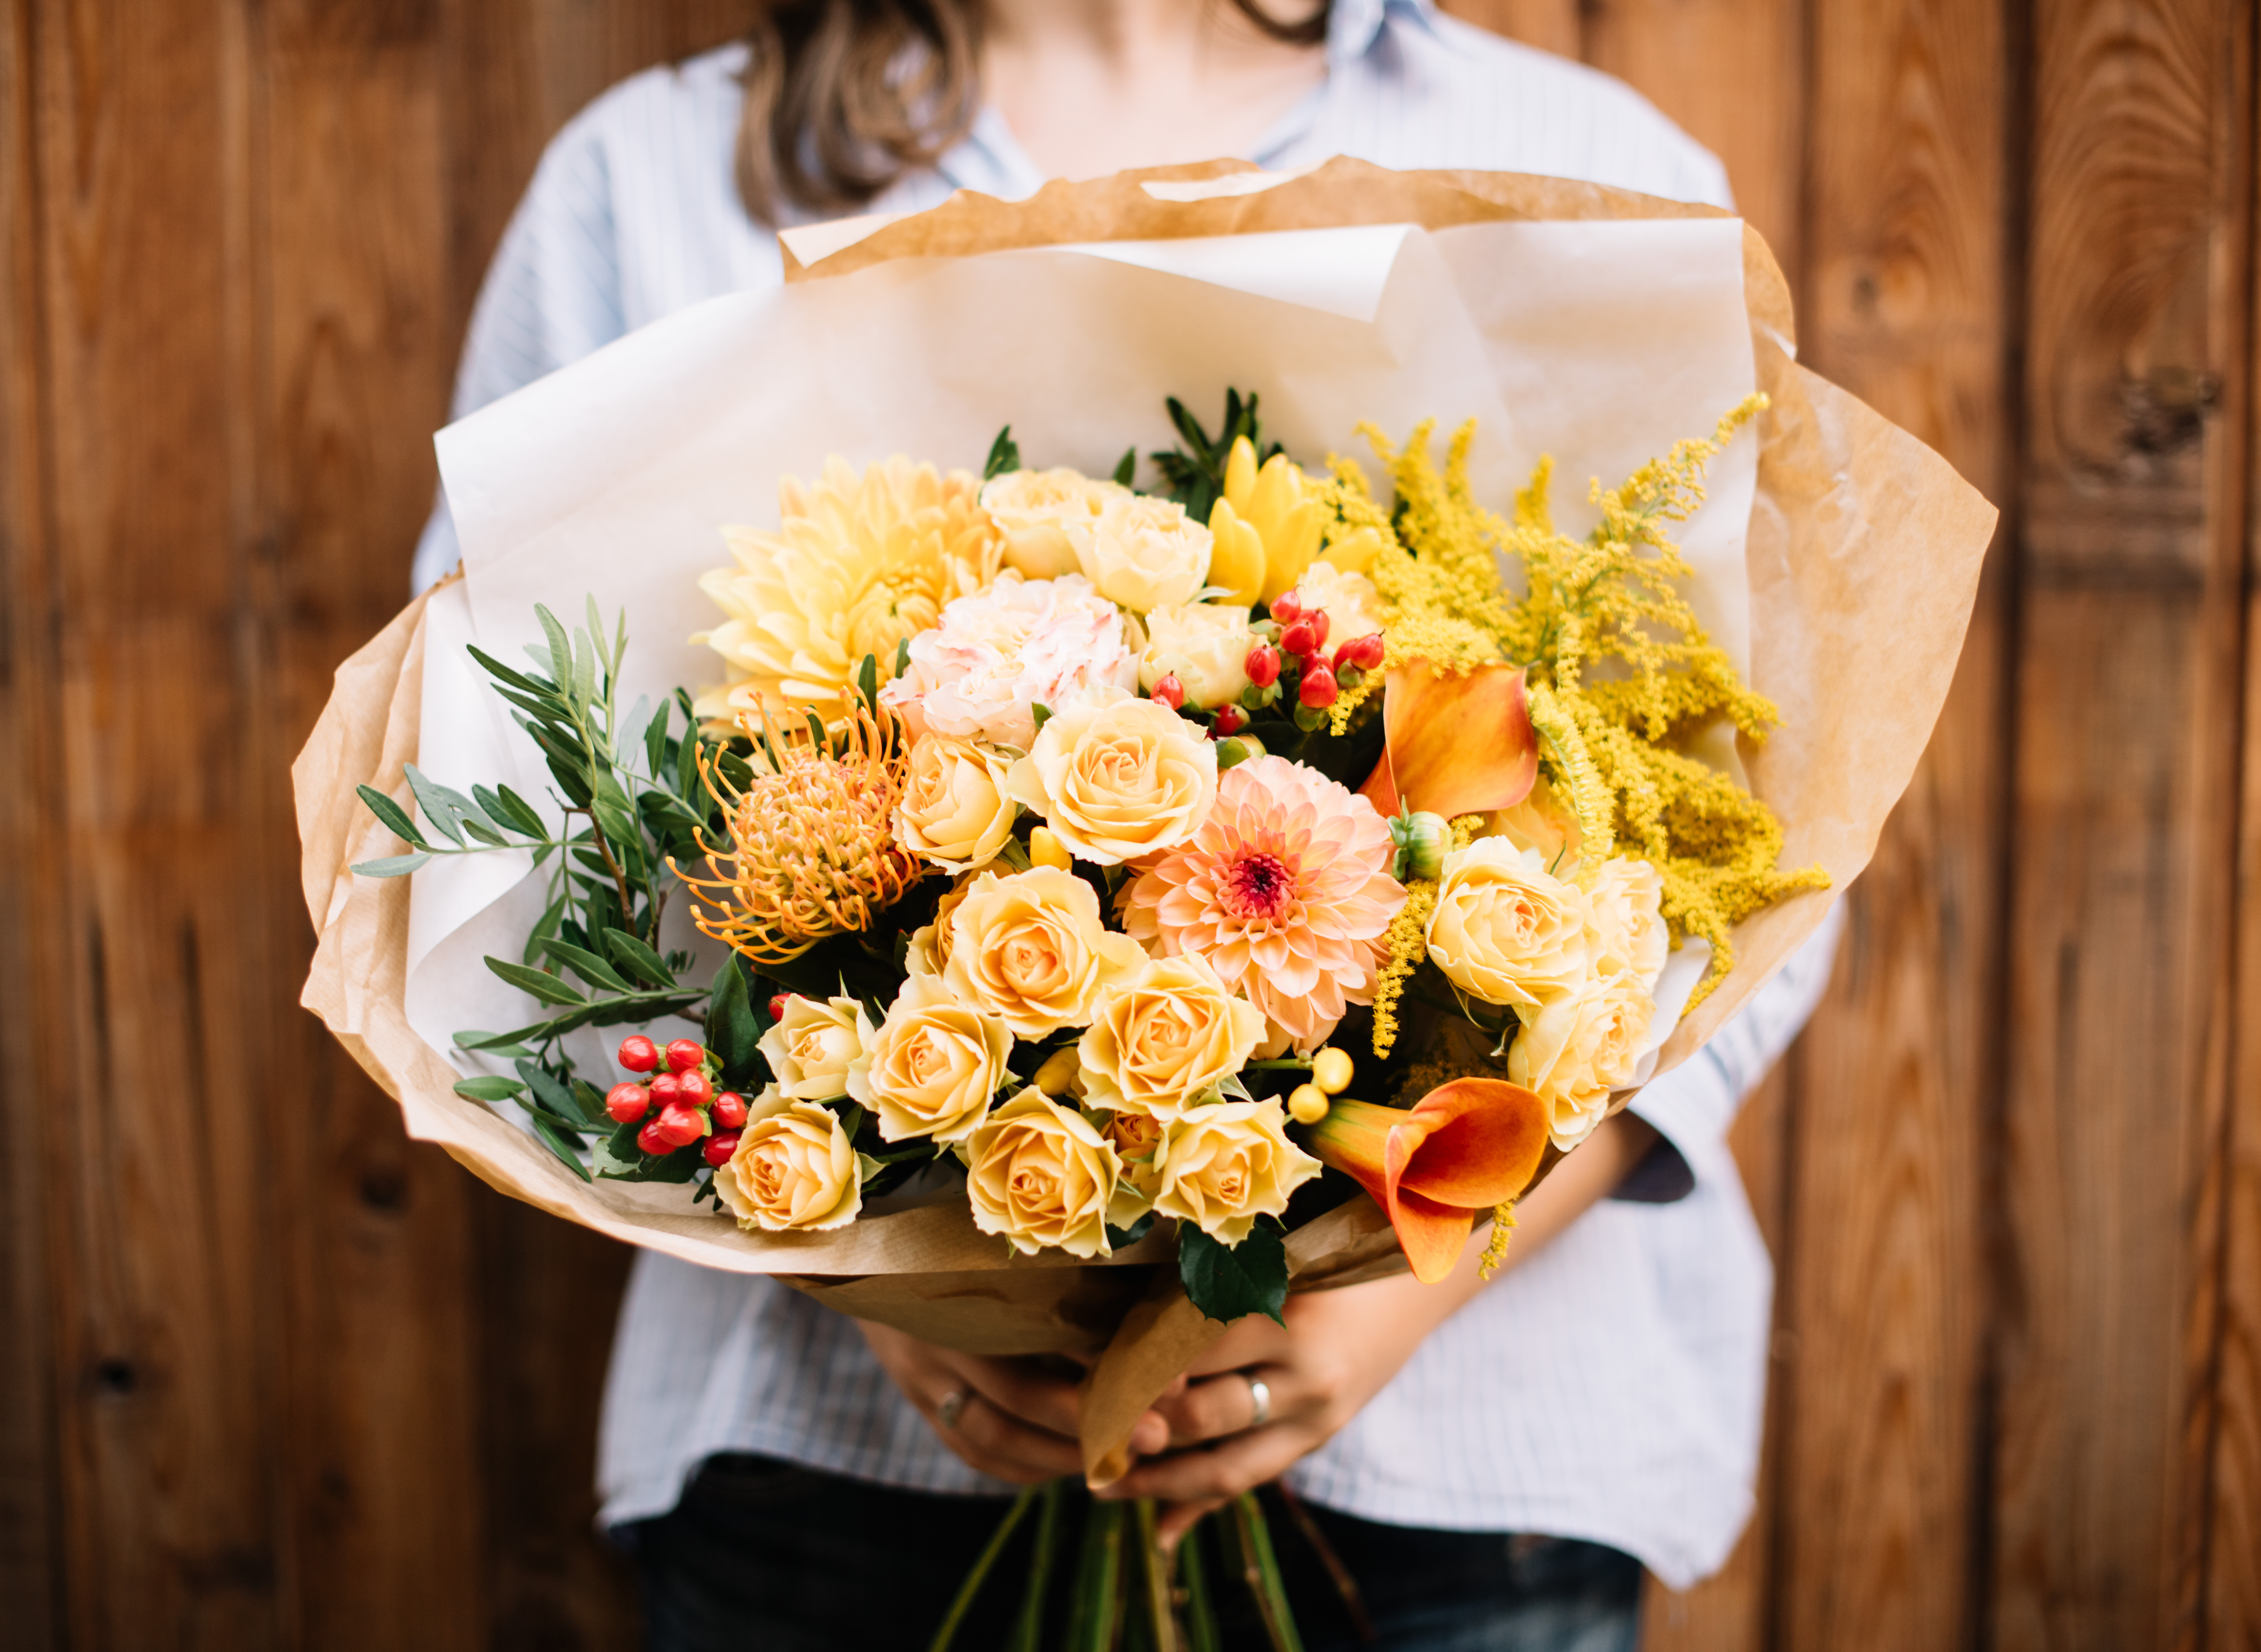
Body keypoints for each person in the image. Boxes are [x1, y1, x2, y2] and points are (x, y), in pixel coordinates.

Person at [411, 1, 1841, 1646]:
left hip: (1454, 1480)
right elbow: (500, 827)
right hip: (837, 1481)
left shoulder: (1588, 169)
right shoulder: (651, 184)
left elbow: (1765, 843)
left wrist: (1421, 1266)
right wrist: (856, 1251)